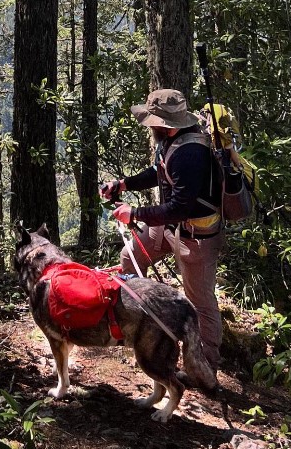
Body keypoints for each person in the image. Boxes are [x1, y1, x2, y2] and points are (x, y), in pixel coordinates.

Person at [101, 88, 224, 372]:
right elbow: (159, 172)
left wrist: (134, 213)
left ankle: (205, 366)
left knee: (201, 302)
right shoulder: (172, 142)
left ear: (164, 123)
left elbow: (180, 206)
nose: (148, 125)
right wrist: (124, 184)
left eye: (151, 120)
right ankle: (132, 323)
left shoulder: (190, 153)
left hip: (196, 237)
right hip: (171, 226)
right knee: (130, 257)